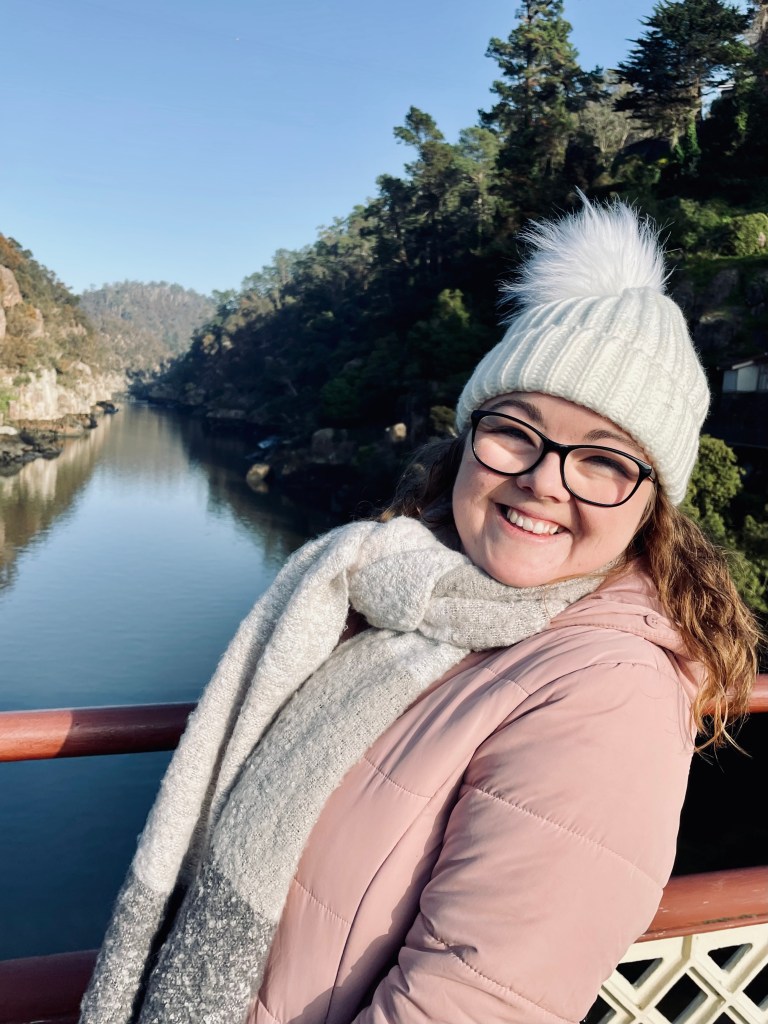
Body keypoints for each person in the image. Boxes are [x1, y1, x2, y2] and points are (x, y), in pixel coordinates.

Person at [80, 198, 759, 1024]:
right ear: (468, 440)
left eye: (605, 461)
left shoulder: (606, 691)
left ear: (651, 505)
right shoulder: (398, 599)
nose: (545, 479)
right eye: (517, 431)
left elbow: (474, 1004)